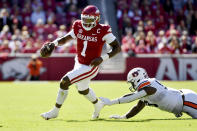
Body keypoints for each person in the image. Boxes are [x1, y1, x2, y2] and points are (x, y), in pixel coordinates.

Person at [40, 5, 121, 120]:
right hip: (79, 61)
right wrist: (54, 43)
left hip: (90, 66)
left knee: (64, 82)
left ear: (96, 19)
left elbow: (117, 48)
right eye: (84, 19)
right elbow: (67, 38)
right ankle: (98, 105)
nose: (85, 22)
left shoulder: (103, 30)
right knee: (82, 89)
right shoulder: (78, 25)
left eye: (89, 20)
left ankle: (55, 111)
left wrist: (103, 58)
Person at [100, 67, 197, 119]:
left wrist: (111, 102)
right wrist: (123, 117)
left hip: (187, 101)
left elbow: (133, 97)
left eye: (132, 82)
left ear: (137, 79)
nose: (132, 85)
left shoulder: (148, 85)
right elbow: (137, 108)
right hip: (184, 102)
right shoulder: (145, 90)